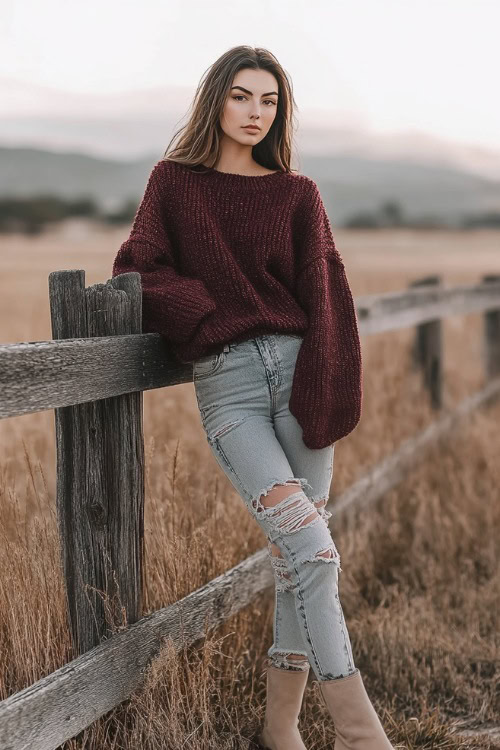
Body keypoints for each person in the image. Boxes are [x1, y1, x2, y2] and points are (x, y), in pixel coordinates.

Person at [112, 45, 395, 750]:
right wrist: (207, 317)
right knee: (316, 553)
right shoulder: (173, 184)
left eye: (268, 101)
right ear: (217, 101)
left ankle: (280, 732)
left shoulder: (297, 194)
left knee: (296, 560)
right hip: (232, 388)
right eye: (242, 97)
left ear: (280, 112)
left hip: (303, 381)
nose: (255, 113)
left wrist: (328, 390)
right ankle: (364, 737)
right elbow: (136, 270)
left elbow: (328, 295)